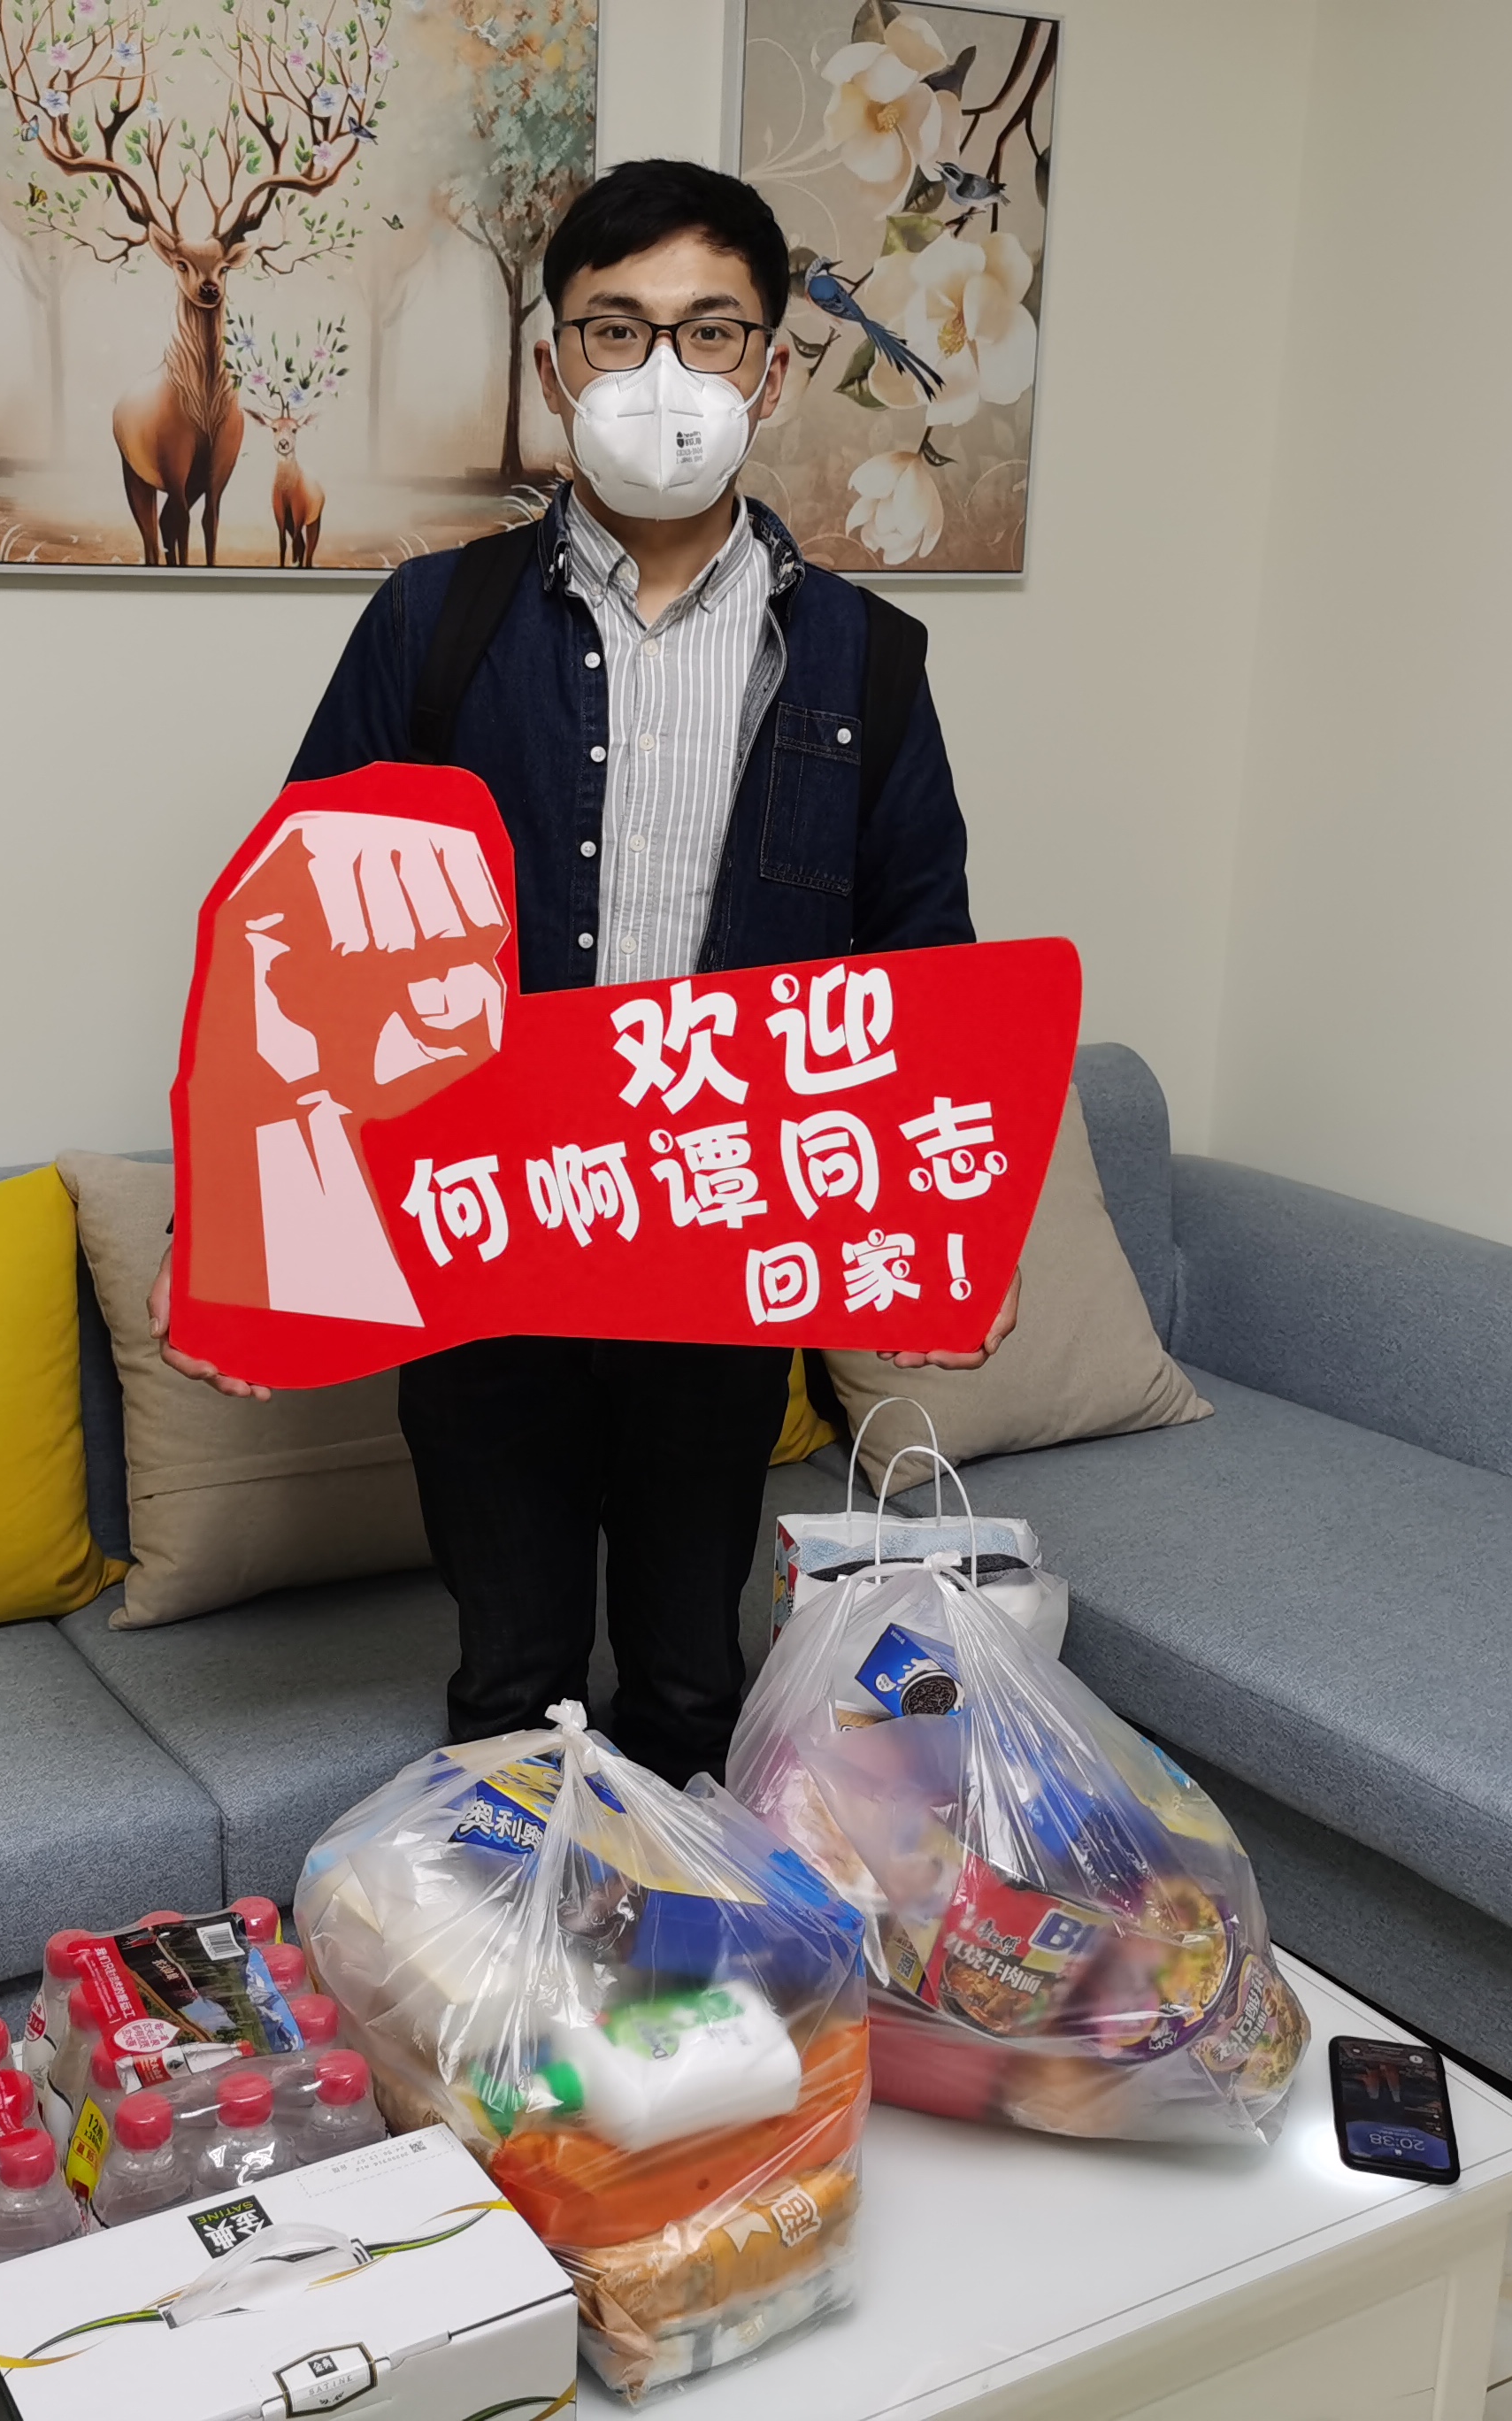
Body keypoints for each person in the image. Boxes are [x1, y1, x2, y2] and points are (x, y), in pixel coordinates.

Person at [154, 158, 1007, 1785]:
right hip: (481, 1247)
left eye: (710, 330)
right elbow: (300, 930)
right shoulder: (435, 623)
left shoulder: (867, 662)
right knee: (511, 1683)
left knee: (691, 1681)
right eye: (618, 330)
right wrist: (228, 1234)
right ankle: (519, 1938)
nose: (663, 374)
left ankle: (678, 1938)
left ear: (770, 369)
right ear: (555, 367)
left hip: (718, 1250)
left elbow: (921, 966)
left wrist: (954, 1234)